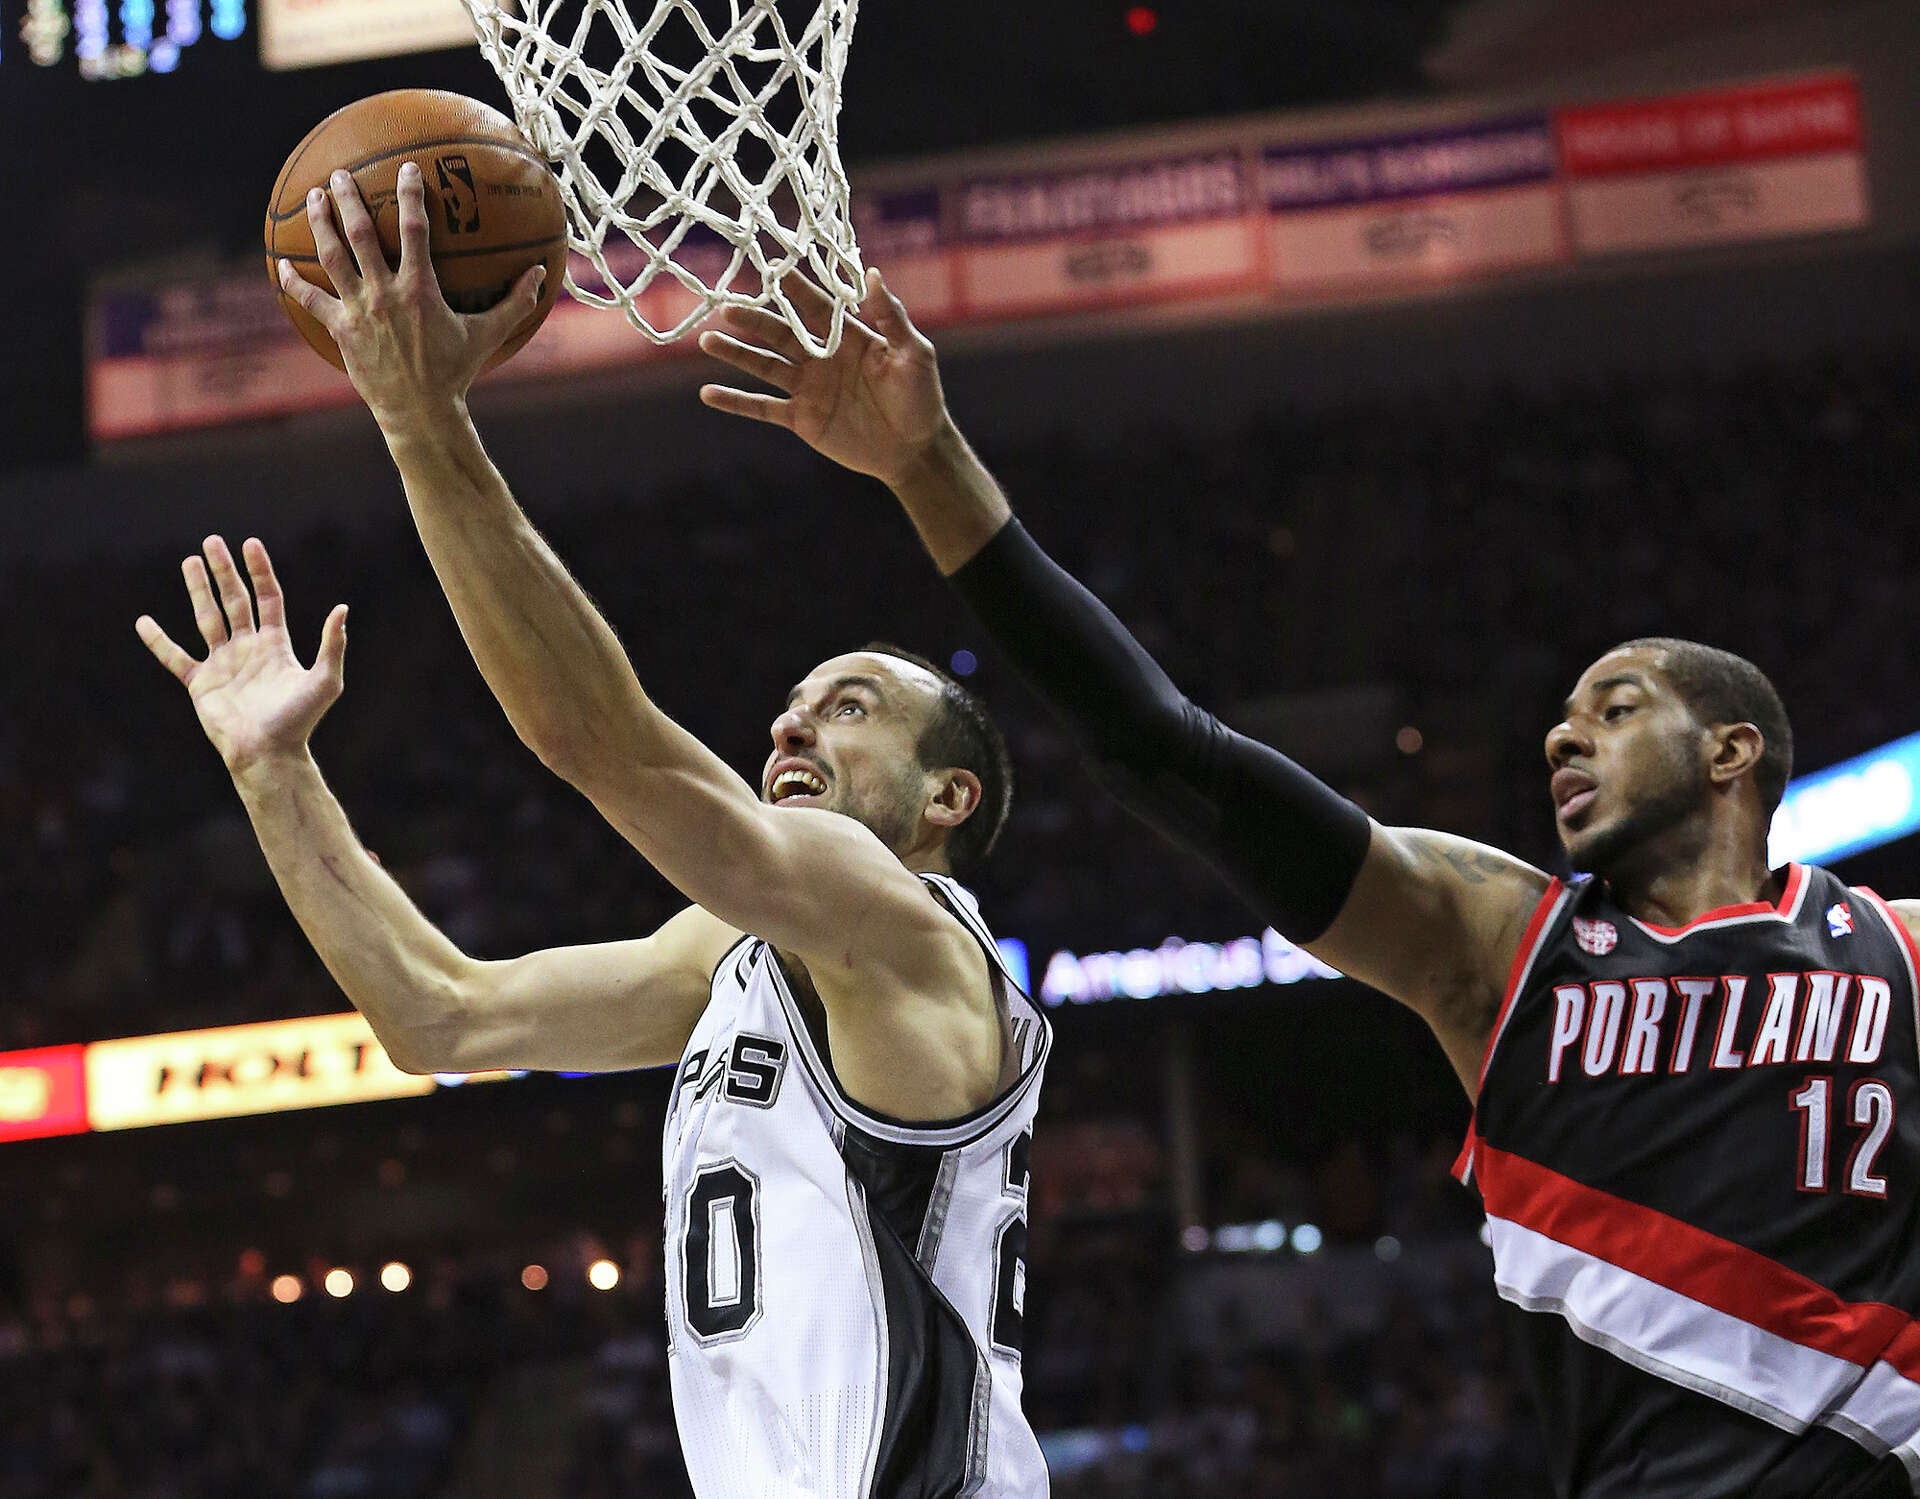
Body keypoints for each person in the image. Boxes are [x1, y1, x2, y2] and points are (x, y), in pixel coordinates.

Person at [697, 273, 1920, 1497]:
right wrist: (928, 467)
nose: (1563, 736)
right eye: (1562, 715)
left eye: (1616, 708)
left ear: (1731, 750)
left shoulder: (1899, 951)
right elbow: (1165, 748)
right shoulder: (1506, 947)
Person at [136, 166, 1051, 1499]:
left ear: (945, 799)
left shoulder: (899, 922)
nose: (790, 725)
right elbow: (440, 1017)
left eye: (849, 707)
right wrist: (274, 770)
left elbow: (600, 741)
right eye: (792, 705)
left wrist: (420, 418)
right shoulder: (734, 958)